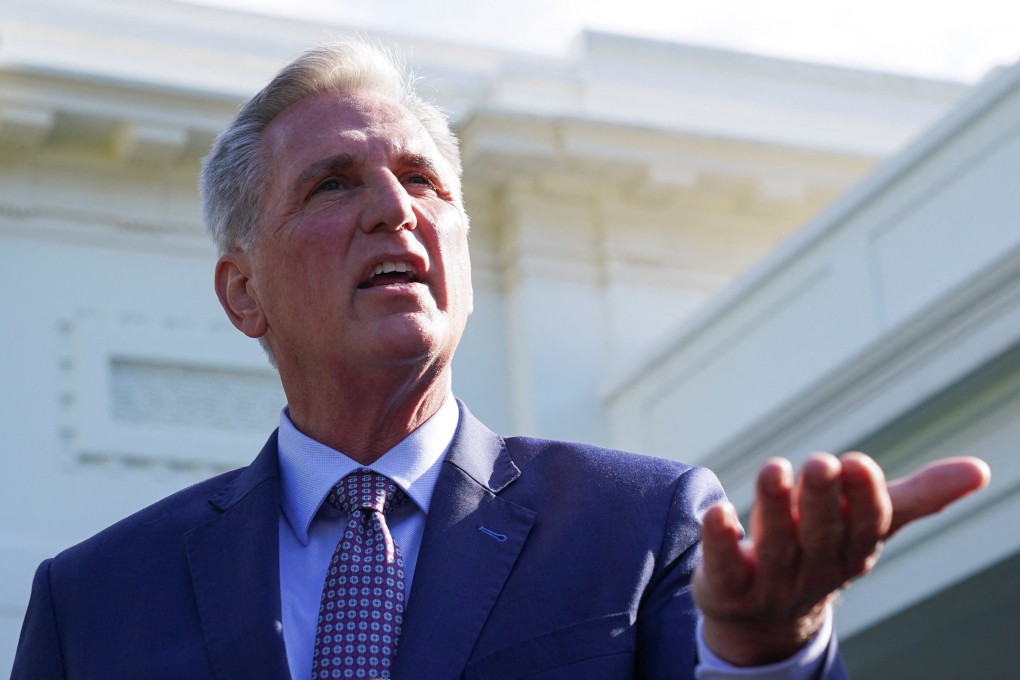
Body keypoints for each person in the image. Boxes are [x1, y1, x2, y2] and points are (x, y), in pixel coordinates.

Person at [11, 38, 989, 680]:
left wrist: (768, 650)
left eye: (423, 181)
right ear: (242, 291)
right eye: (332, 184)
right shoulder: (91, 599)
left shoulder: (643, 524)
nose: (395, 208)